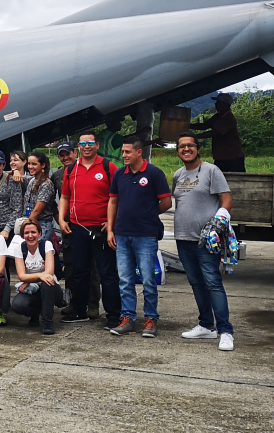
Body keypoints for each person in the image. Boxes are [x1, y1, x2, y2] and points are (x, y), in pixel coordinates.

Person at [173, 133, 235, 352]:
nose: (186, 149)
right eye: (182, 146)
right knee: (196, 282)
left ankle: (225, 330)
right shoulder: (178, 174)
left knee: (212, 282)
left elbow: (226, 200)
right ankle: (206, 325)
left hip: (206, 240)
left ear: (198, 149)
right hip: (183, 238)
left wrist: (218, 223)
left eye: (190, 146)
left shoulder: (211, 171)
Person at [107, 136, 171, 338]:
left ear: (139, 152)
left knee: (148, 279)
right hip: (123, 234)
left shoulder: (154, 173)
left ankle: (151, 319)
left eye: (127, 152)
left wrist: (148, 214)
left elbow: (166, 202)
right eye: (123, 152)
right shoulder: (119, 174)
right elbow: (113, 203)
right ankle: (127, 319)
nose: (124, 155)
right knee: (125, 279)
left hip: (146, 235)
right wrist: (110, 229)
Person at [57, 132, 119, 327]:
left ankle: (113, 315)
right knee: (80, 272)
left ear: (97, 145)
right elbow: (65, 198)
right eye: (83, 143)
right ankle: (79, 310)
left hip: (101, 229)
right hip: (77, 228)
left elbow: (117, 198)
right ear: (78, 147)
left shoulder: (108, 167)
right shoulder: (70, 170)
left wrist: (112, 224)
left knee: (106, 273)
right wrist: (61, 219)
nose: (86, 146)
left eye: (90, 143)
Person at [8, 219, 58, 335]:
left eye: (33, 232)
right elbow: (21, 276)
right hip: (32, 288)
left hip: (51, 287)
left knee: (47, 282)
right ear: (22, 235)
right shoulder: (19, 248)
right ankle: (35, 313)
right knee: (17, 305)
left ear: (39, 234)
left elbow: (49, 272)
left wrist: (28, 280)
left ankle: (47, 321)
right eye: (26, 233)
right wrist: (38, 276)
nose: (30, 236)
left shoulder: (46, 245)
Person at [192, 93, 245, 172]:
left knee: (236, 180)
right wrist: (187, 125)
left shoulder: (229, 119)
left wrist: (194, 137)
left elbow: (214, 133)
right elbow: (204, 126)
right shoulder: (218, 116)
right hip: (221, 157)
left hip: (233, 157)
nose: (216, 104)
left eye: (218, 102)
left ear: (225, 104)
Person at [22, 151, 55, 244]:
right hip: (31, 222)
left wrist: (25, 226)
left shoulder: (46, 184)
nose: (30, 167)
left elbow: (37, 211)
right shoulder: (32, 180)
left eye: (34, 164)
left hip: (42, 225)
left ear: (43, 165)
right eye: (29, 163)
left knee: (40, 254)